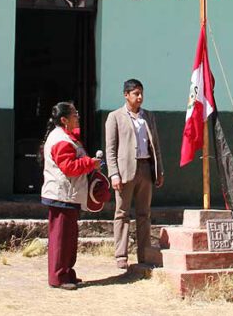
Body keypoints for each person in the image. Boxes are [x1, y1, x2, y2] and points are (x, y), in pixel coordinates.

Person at [40, 101, 102, 290]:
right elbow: (69, 167)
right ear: (64, 120)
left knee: (69, 239)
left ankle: (67, 273)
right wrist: (90, 164)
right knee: (61, 239)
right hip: (62, 196)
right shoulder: (61, 140)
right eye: (74, 114)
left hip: (69, 195)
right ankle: (58, 277)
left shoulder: (68, 138)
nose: (78, 117)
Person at [105, 78, 164, 270]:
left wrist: (159, 170)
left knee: (144, 213)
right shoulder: (115, 117)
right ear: (126, 95)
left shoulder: (148, 116)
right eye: (136, 93)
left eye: (141, 93)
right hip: (125, 171)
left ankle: (144, 254)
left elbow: (155, 145)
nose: (140, 97)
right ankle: (121, 255)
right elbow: (110, 149)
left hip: (146, 168)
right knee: (122, 213)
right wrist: (114, 174)